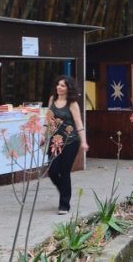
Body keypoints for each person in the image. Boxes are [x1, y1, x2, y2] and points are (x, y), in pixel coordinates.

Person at [42, 76, 89, 215]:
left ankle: (64, 205)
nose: (59, 87)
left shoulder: (72, 103)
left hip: (71, 141)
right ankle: (64, 191)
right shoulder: (52, 100)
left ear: (68, 88)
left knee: (64, 171)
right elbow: (48, 120)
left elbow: (79, 124)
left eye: (62, 85)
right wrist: (43, 135)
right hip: (54, 141)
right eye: (58, 85)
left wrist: (84, 141)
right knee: (52, 170)